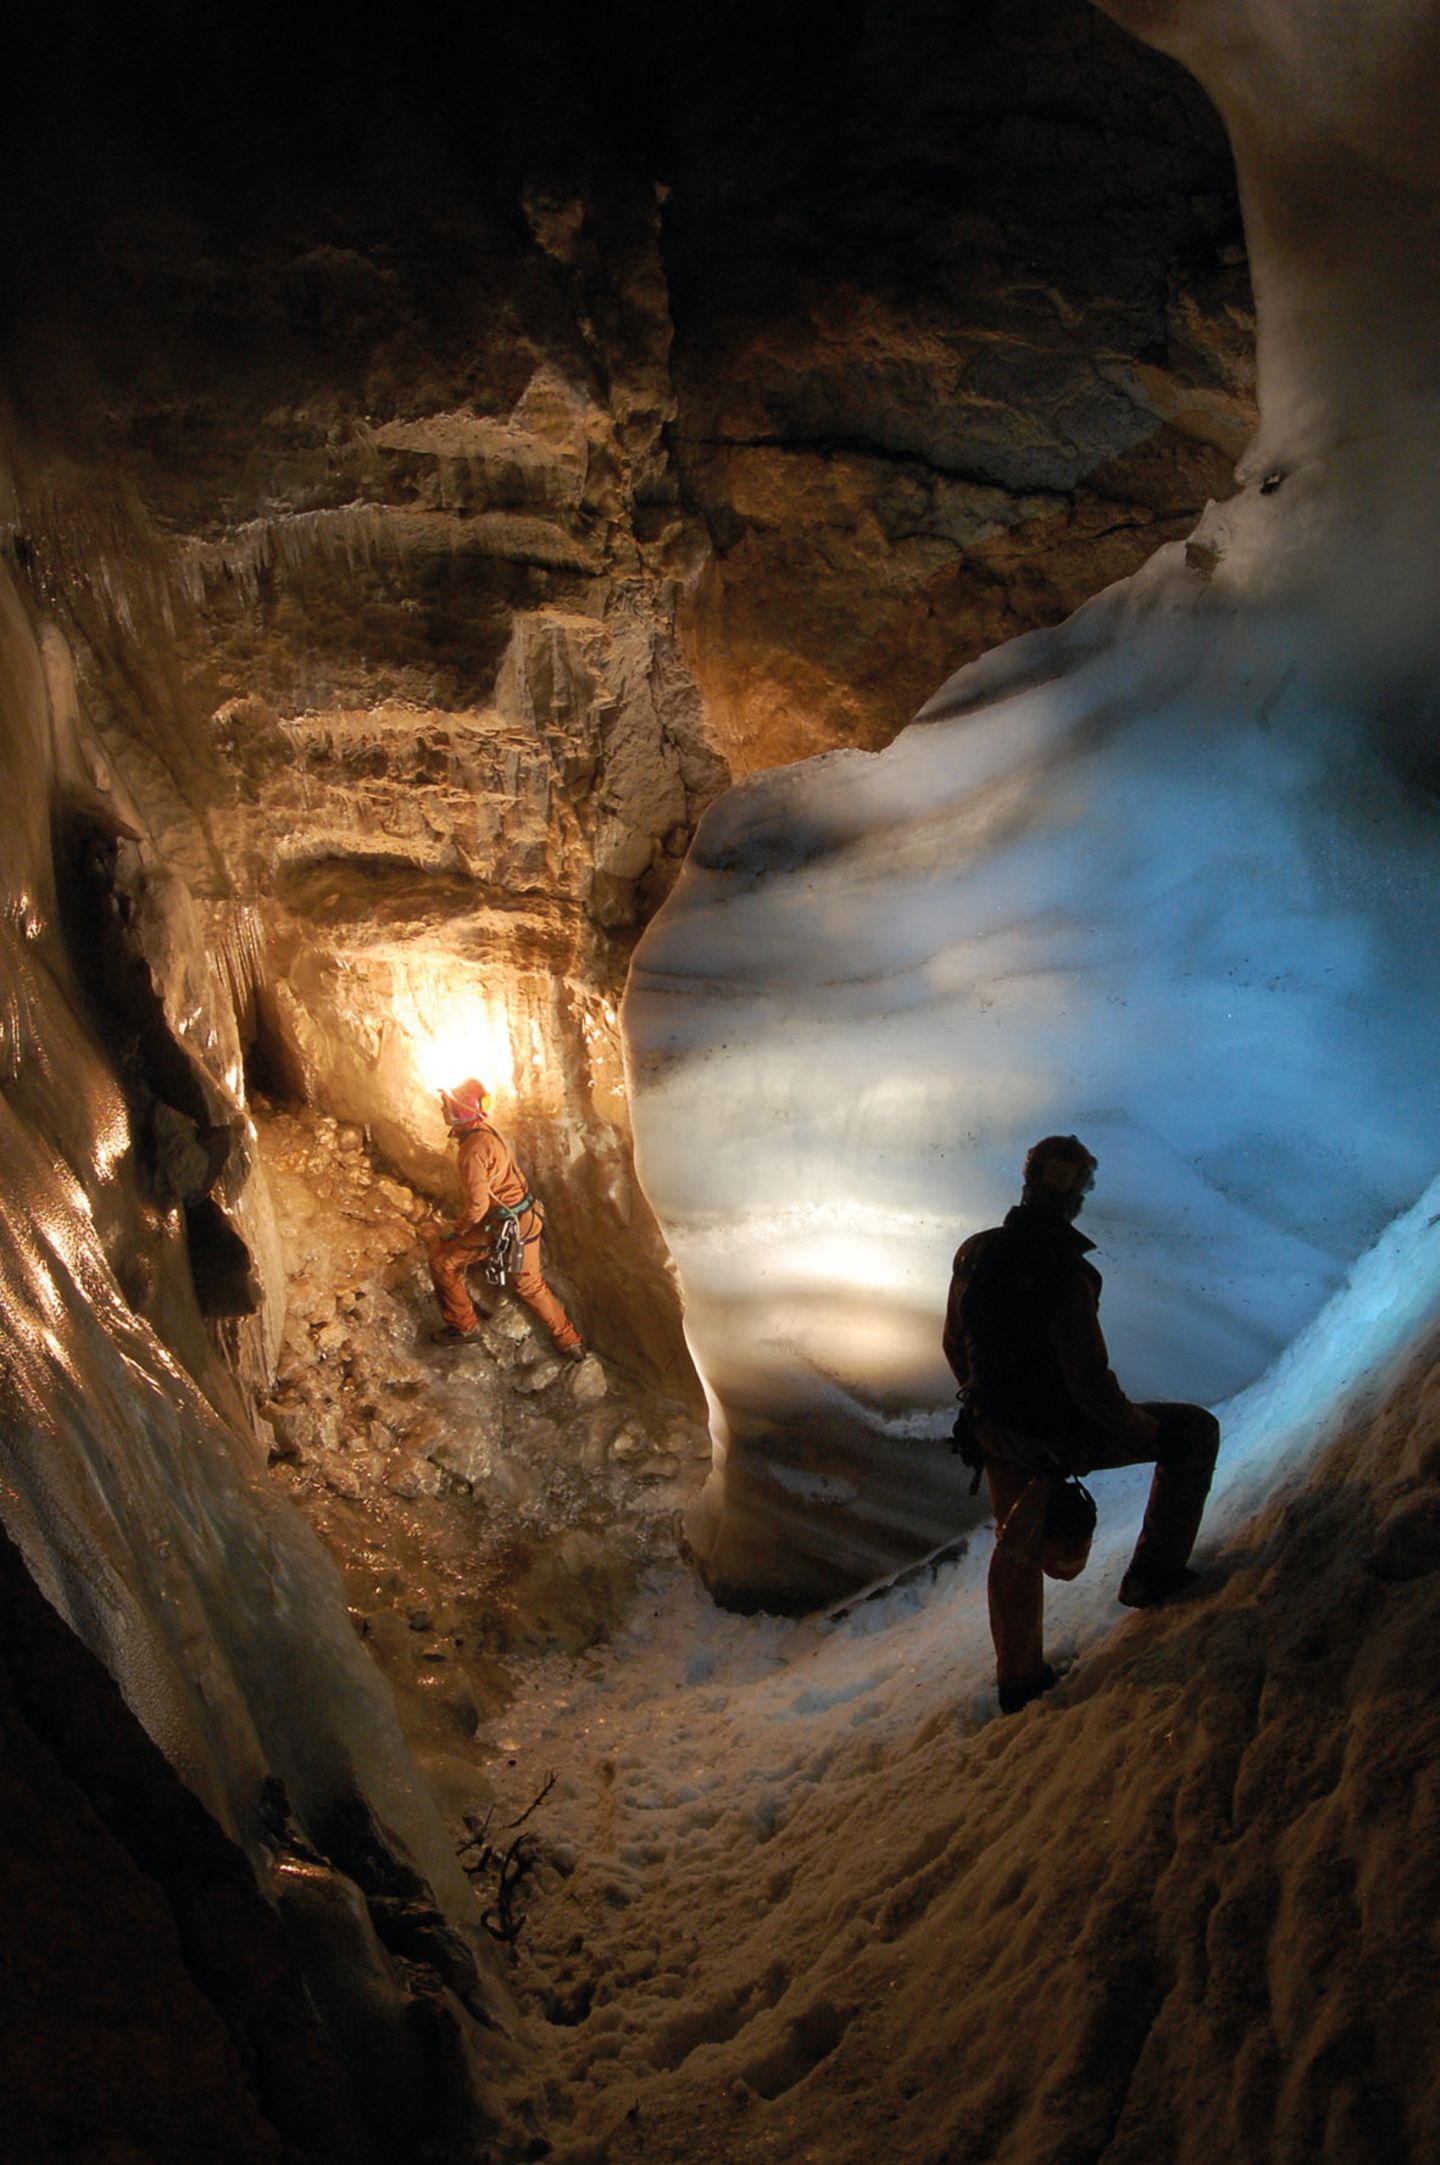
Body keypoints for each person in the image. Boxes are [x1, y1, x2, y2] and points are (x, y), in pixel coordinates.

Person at [943, 1134, 1219, 1715]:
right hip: (1058, 1432)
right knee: (1192, 1433)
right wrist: (1138, 1428)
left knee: (1015, 1545)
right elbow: (1088, 1381)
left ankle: (1019, 1682)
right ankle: (1153, 1577)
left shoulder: (975, 1253)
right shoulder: (1067, 1273)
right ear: (1078, 1194)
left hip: (994, 1430)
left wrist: (986, 1408)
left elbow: (954, 1344)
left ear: (1027, 1179)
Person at [427, 1078, 584, 1359]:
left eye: (445, 1104)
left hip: (508, 1224)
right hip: (525, 1215)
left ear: (458, 1111)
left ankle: (464, 1326)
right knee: (530, 1285)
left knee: (443, 1260)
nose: (441, 1108)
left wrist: (458, 1231)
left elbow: (477, 1204)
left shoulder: (472, 1150)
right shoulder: (485, 1132)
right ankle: (570, 1342)